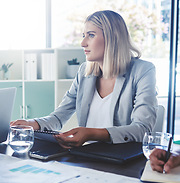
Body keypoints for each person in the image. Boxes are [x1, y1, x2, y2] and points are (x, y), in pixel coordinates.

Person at [11, 10, 157, 148]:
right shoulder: (84, 73)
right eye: (83, 35)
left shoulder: (143, 71)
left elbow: (142, 129)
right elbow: (58, 118)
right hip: (87, 156)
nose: (83, 43)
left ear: (113, 38)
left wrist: (91, 133)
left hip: (121, 160)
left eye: (91, 35)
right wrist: (30, 123)